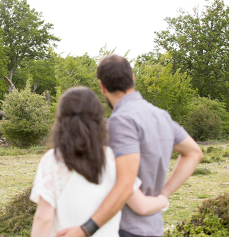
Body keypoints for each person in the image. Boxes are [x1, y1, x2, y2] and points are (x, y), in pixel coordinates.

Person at [56, 55, 203, 237]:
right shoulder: (161, 115)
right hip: (153, 226)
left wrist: (86, 229)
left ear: (102, 86)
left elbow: (126, 184)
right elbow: (194, 152)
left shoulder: (121, 120)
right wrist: (163, 194)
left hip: (125, 228)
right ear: (132, 78)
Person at [30, 87, 169, 236]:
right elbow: (142, 206)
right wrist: (163, 199)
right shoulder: (113, 159)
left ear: (61, 119)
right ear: (97, 120)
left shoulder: (53, 160)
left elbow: (44, 219)